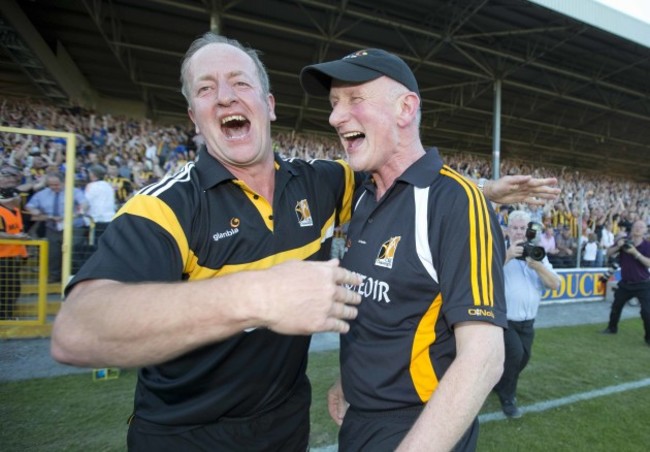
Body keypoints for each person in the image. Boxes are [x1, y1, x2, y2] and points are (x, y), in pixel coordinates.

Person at [51, 33, 559, 451]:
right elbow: (75, 332)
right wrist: (257, 296)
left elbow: (406, 184)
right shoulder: (167, 205)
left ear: (268, 106)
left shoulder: (322, 184)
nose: (225, 96)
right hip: (185, 436)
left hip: (286, 426)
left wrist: (480, 191)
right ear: (194, 118)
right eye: (205, 89)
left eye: (240, 83)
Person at [300, 48, 510, 451]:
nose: (334, 117)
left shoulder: (457, 202)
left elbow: (484, 359)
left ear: (405, 108)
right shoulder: (364, 198)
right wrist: (353, 381)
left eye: (355, 99)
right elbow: (386, 309)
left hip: (420, 424)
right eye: (333, 104)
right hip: (359, 419)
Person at [493, 210, 560, 418]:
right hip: (504, 318)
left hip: (528, 321)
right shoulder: (497, 250)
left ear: (528, 231)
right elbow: (483, 275)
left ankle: (497, 382)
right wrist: (507, 256)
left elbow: (555, 284)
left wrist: (538, 266)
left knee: (524, 358)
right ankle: (508, 399)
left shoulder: (537, 253)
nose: (519, 232)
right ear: (507, 230)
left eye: (523, 228)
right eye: (515, 228)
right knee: (515, 356)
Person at [25, 172, 87, 282]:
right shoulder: (42, 194)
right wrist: (36, 211)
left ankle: (75, 277)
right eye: (51, 185)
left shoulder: (74, 191)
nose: (54, 187)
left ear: (63, 182)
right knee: (53, 253)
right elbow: (30, 206)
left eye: (57, 184)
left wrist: (77, 213)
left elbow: (84, 204)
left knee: (73, 252)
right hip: (52, 226)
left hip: (72, 226)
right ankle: (54, 276)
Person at [601, 220, 650, 345]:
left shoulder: (647, 245)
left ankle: (648, 338)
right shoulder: (623, 241)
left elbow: (648, 263)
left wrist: (635, 253)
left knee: (646, 311)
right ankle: (612, 328)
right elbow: (608, 253)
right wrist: (618, 246)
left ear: (645, 231)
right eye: (636, 226)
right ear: (632, 228)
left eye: (641, 227)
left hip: (643, 283)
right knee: (616, 307)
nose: (638, 229)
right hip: (625, 283)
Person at [0, 187, 29, 320]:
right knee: (5, 289)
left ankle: (7, 314)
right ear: (11, 199)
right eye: (18, 196)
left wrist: (24, 254)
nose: (20, 199)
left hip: (13, 255)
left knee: (13, 289)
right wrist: (17, 238)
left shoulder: (16, 211)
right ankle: (4, 315)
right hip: (2, 257)